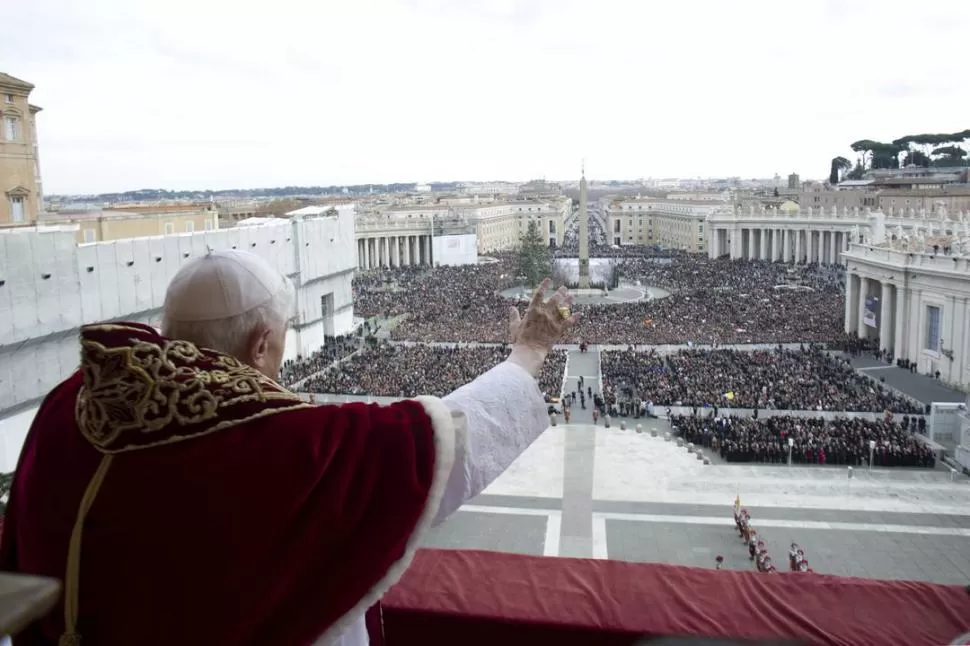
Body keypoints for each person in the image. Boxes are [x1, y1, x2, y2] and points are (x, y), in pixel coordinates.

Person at [0, 250, 577, 646]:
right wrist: (528, 351)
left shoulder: (71, 405)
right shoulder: (287, 446)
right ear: (260, 346)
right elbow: (440, 440)